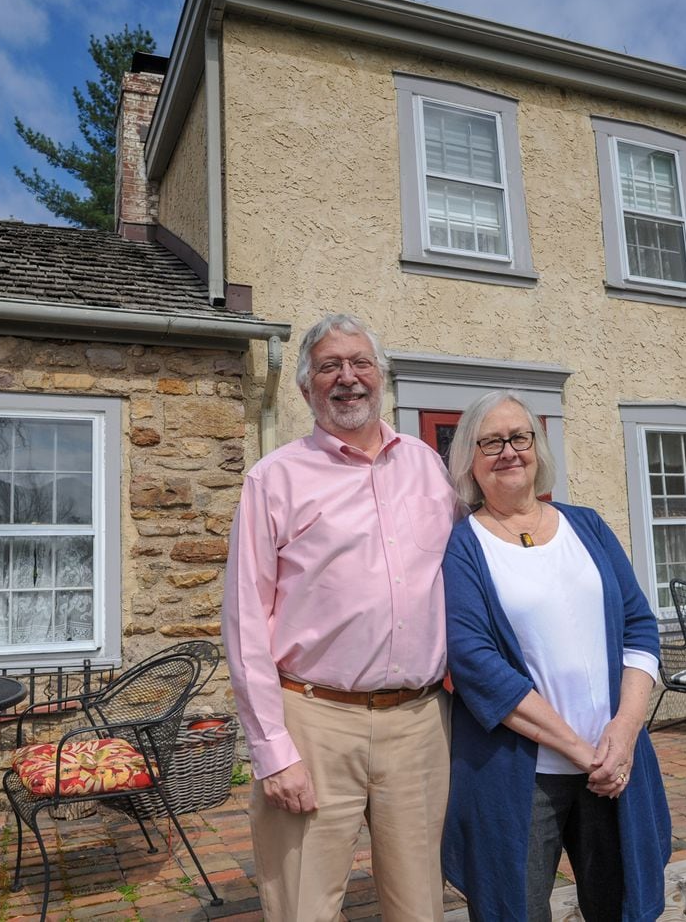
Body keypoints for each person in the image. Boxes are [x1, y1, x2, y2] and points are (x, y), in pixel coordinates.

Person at [222, 313, 455, 921]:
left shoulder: (429, 467)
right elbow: (246, 622)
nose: (348, 378)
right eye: (330, 367)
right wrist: (273, 750)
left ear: (382, 378)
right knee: (303, 906)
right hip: (314, 720)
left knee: (421, 906)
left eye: (360, 363)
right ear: (305, 388)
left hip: (420, 723)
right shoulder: (274, 480)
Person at [441, 390, 671, 922]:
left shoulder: (586, 525)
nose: (508, 451)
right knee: (515, 909)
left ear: (537, 448)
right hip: (525, 774)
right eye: (491, 441)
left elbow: (639, 626)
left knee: (619, 903)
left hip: (615, 762)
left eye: (519, 437)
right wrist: (578, 749)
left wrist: (626, 730)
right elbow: (477, 665)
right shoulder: (465, 546)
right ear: (470, 461)